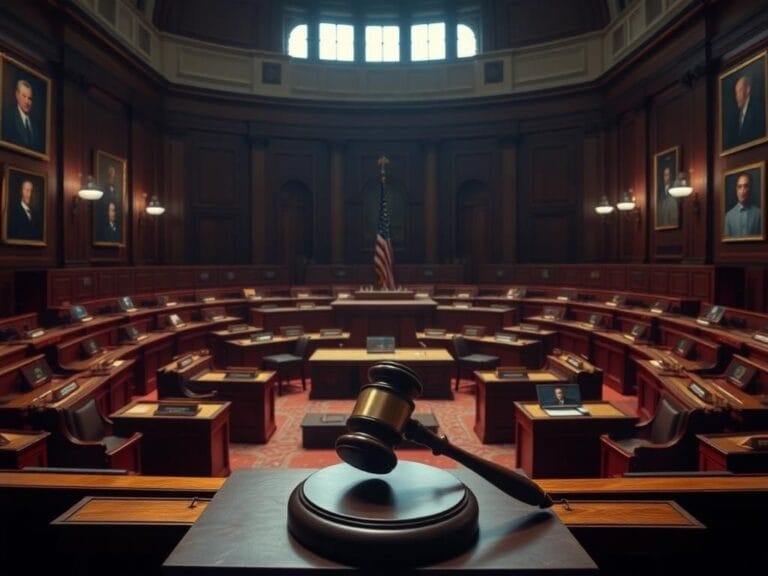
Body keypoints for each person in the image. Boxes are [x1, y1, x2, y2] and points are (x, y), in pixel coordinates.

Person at [726, 74, 766, 149]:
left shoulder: (758, 108)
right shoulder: (735, 115)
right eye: (736, 93)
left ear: (748, 90)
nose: (737, 96)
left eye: (739, 91)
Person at [3, 78, 43, 151]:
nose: (27, 102)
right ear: (17, 95)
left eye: (30, 98)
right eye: (24, 96)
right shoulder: (8, 117)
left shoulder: (37, 125)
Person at [724, 172, 761, 237]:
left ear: (750, 189)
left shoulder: (759, 213)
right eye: (739, 187)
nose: (742, 190)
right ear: (736, 190)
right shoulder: (729, 216)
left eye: (746, 186)